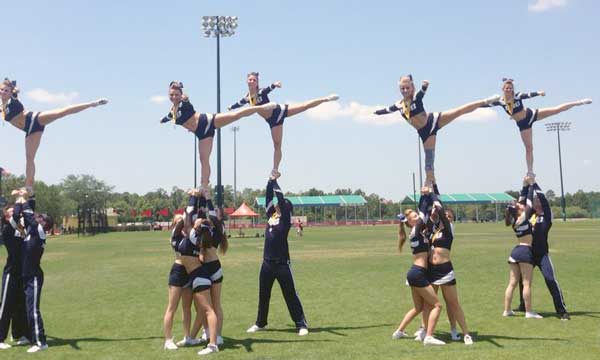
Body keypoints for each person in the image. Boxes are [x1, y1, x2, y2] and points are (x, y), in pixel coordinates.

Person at [374, 75, 499, 186]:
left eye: (407, 88)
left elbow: (422, 93)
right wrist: (376, 112)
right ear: (399, 89)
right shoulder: (398, 105)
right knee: (429, 162)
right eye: (402, 88)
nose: (405, 90)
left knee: (459, 111)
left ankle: (486, 101)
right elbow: (387, 110)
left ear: (412, 87)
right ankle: (433, 191)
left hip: (432, 120)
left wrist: (424, 86)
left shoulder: (416, 96)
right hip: (424, 133)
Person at [161, 81, 276, 190]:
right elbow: (169, 117)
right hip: (201, 134)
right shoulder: (173, 111)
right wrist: (161, 121)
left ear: (180, 94)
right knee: (203, 159)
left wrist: (184, 96)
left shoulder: (183, 103)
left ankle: (261, 107)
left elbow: (186, 101)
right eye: (171, 95)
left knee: (235, 115)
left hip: (206, 121)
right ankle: (204, 186)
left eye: (176, 94)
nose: (174, 97)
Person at [0, 79, 108, 192]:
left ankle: (92, 104)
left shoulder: (13, 98)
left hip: (34, 119)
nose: (3, 92)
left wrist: (15, 90)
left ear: (10, 92)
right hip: (29, 130)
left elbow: (16, 92)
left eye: (6, 90)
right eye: (1, 90)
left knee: (61, 112)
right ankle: (29, 187)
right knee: (29, 158)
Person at [228, 72, 339, 177]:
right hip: (273, 121)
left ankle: (326, 98)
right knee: (277, 145)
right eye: (250, 79)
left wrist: (275, 84)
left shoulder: (261, 92)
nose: (252, 81)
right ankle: (275, 170)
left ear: (257, 83)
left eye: (254, 80)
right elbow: (239, 104)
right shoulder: (247, 98)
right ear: (247, 81)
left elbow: (268, 89)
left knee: (304, 106)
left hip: (280, 110)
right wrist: (231, 107)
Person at [481, 78, 592, 175]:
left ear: (513, 89)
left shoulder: (517, 96)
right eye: (507, 88)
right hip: (523, 125)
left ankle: (579, 102)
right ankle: (530, 171)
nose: (509, 90)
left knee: (556, 110)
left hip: (531, 114)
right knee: (529, 148)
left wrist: (539, 93)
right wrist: (474, 106)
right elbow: (484, 105)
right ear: (503, 89)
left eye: (510, 88)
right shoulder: (500, 101)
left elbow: (528, 95)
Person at [246, 175, 309, 336]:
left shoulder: (285, 220)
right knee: (263, 294)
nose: (276, 205)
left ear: (286, 208)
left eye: (280, 205)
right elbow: (268, 198)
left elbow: (280, 199)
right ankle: (260, 323)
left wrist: (275, 183)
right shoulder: (272, 217)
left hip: (282, 264)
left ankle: (301, 324)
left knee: (290, 294)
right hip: (266, 264)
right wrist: (268, 183)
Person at [392, 188, 445, 346]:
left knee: (418, 307)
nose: (417, 216)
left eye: (416, 215)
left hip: (414, 273)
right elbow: (423, 210)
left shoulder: (416, 231)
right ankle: (428, 336)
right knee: (437, 305)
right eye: (413, 216)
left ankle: (399, 332)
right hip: (418, 273)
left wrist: (428, 197)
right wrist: (426, 195)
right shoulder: (416, 229)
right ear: (409, 222)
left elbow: (426, 215)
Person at [178, 189, 227, 355]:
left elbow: (191, 217)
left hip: (205, 268)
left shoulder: (196, 235)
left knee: (208, 306)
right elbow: (210, 215)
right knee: (215, 304)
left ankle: (211, 335)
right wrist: (207, 199)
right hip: (216, 268)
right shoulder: (215, 230)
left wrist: (196, 197)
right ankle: (216, 335)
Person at [515, 181, 569, 320]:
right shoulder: (529, 215)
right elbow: (521, 204)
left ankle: (562, 310)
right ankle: (523, 305)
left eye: (539, 199)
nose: (538, 201)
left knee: (550, 279)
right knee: (522, 280)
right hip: (528, 254)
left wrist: (535, 184)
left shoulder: (547, 216)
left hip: (542, 254)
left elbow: (544, 201)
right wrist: (526, 186)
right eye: (535, 200)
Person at [426, 182, 473, 345]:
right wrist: (433, 186)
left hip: (445, 270)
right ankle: (425, 331)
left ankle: (465, 333)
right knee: (430, 302)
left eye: (449, 216)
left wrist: (432, 192)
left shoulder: (448, 228)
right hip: (432, 270)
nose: (447, 218)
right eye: (446, 216)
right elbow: (433, 215)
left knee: (453, 303)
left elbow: (440, 208)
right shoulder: (435, 230)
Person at [11, 188, 53, 352]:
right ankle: (30, 336)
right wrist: (17, 201)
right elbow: (17, 218)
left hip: (34, 277)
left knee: (32, 309)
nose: (38, 217)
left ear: (45, 224)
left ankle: (41, 342)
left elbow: (28, 214)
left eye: (41, 218)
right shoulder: (30, 231)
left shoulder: (39, 231)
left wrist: (22, 197)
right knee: (26, 308)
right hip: (26, 276)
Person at [503, 176, 543, 319]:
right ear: (518, 211)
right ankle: (529, 311)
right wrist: (531, 185)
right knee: (526, 284)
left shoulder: (514, 220)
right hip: (525, 251)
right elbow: (529, 202)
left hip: (515, 252)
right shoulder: (523, 217)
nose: (520, 204)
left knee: (512, 283)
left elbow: (521, 200)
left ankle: (507, 310)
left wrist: (524, 185)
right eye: (518, 206)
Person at [163, 214, 202, 350]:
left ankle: (188, 337)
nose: (182, 222)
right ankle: (168, 340)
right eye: (178, 220)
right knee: (172, 307)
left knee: (187, 308)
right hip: (178, 272)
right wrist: (183, 220)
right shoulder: (176, 237)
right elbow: (181, 225)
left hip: (189, 273)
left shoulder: (190, 235)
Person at [0, 204, 29, 350]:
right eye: (10, 213)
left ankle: (18, 335)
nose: (17, 214)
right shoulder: (7, 230)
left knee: (20, 305)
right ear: (6, 218)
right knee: (5, 306)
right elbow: (18, 214)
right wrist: (19, 200)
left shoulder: (20, 230)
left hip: (21, 273)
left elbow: (26, 214)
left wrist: (29, 198)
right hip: (10, 273)